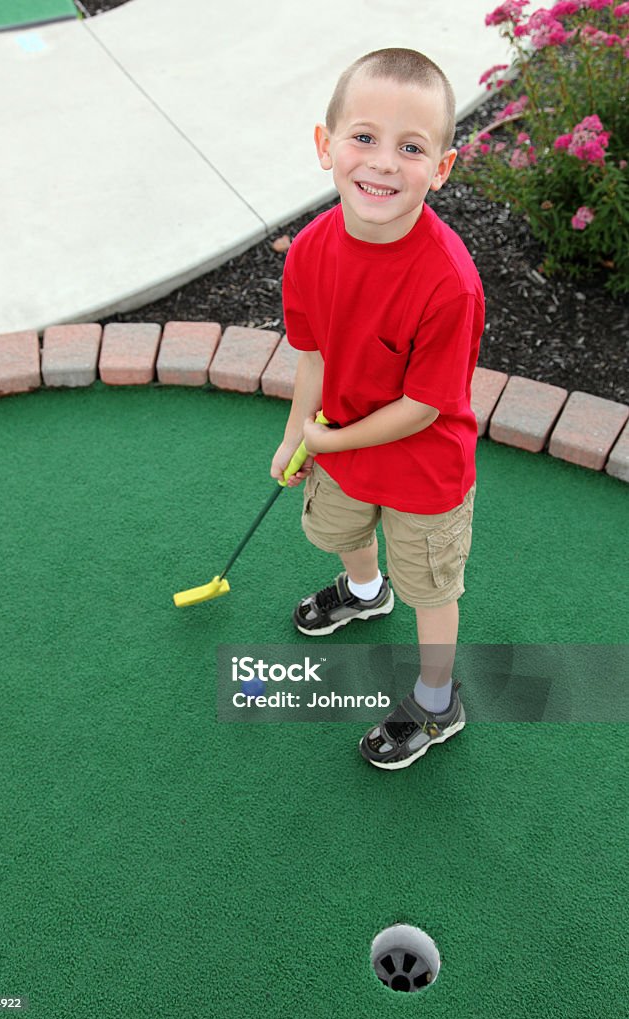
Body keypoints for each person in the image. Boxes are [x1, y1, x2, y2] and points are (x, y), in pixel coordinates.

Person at [270, 47, 485, 770]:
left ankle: (434, 700)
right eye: (363, 137)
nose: (383, 163)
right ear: (325, 146)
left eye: (411, 147)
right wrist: (297, 434)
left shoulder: (448, 283)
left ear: (442, 167)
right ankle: (364, 592)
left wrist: (329, 441)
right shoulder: (308, 252)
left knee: (429, 586)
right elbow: (314, 356)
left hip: (423, 468)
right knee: (341, 526)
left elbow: (425, 406)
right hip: (339, 442)